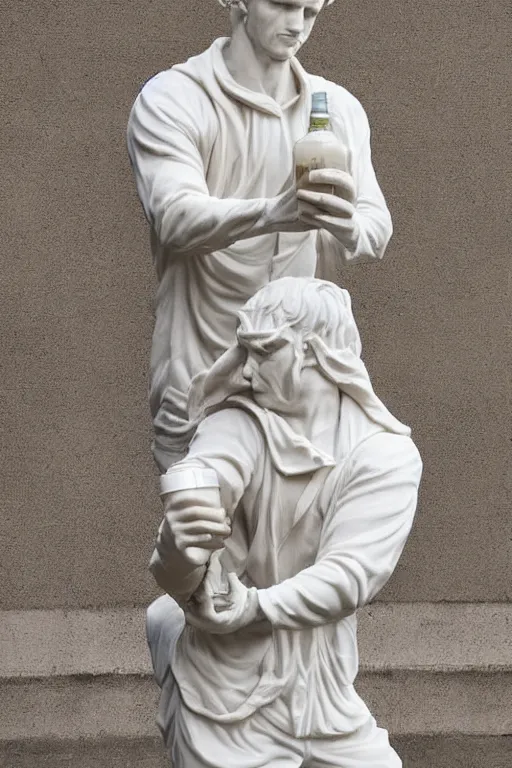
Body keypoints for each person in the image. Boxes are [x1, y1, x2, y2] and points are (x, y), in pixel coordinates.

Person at [147, 277, 422, 768]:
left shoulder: (385, 455)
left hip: (325, 696)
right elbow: (203, 496)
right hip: (225, 697)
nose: (247, 370)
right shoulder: (235, 426)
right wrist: (180, 547)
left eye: (264, 352)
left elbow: (350, 576)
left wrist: (255, 605)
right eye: (243, 351)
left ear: (314, 354)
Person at [126, 0, 393, 470]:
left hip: (308, 386)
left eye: (311, 11)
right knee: (201, 532)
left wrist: (345, 223)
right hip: (203, 378)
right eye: (284, 6)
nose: (297, 26)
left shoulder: (338, 109)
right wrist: (274, 212)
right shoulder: (175, 97)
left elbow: (376, 225)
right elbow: (174, 216)